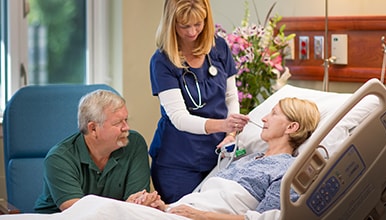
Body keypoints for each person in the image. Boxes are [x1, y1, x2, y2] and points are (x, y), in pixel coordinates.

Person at [133, 97, 321, 219]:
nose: (264, 118)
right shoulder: (250, 158)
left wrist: (201, 215)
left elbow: (263, 218)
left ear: (291, 127)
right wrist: (164, 207)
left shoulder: (289, 171)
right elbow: (207, 198)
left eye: (274, 114)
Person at [149, 0, 249, 203]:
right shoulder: (162, 61)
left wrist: (231, 134)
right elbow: (178, 118)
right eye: (184, 26)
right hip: (178, 163)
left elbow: (231, 97)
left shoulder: (219, 47)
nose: (192, 32)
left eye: (198, 24)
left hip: (218, 156)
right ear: (171, 23)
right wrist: (223, 125)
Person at [34, 89, 151, 214]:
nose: (126, 128)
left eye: (126, 120)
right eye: (117, 123)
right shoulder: (59, 158)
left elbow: (139, 205)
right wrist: (126, 207)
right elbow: (78, 213)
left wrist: (138, 204)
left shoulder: (134, 143)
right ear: (93, 128)